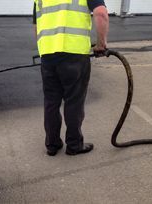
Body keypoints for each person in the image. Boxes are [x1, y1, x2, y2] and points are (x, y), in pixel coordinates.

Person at [33, 0, 109, 156]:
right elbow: (101, 13)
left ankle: (52, 144)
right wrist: (101, 44)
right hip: (74, 53)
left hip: (48, 54)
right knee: (74, 100)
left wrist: (45, 48)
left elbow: (36, 26)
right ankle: (74, 144)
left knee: (51, 102)